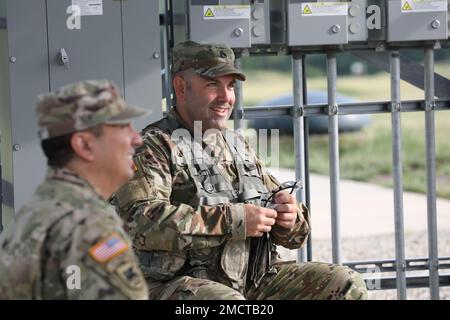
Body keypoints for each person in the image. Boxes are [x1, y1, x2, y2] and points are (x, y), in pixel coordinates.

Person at [112, 41, 368, 300]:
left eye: (231, 86)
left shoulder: (236, 145)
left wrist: (289, 219)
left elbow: (293, 232)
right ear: (181, 87)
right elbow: (139, 221)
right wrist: (235, 220)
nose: (226, 97)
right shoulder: (152, 146)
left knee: (346, 284)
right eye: (213, 85)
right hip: (173, 286)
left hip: (249, 280)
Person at [0, 80, 150, 299]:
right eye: (122, 126)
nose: (137, 138)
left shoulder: (37, 211)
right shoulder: (88, 224)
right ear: (84, 145)